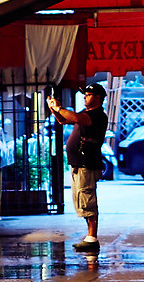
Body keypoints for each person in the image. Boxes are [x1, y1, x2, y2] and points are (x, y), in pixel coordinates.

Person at [44, 79, 108, 252]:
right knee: (81, 200)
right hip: (78, 163)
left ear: (98, 98)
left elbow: (76, 118)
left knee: (87, 200)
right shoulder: (85, 113)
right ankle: (90, 236)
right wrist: (54, 109)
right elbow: (63, 120)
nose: (85, 97)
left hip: (87, 163)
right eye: (85, 95)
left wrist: (59, 108)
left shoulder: (97, 115)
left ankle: (92, 237)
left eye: (89, 95)